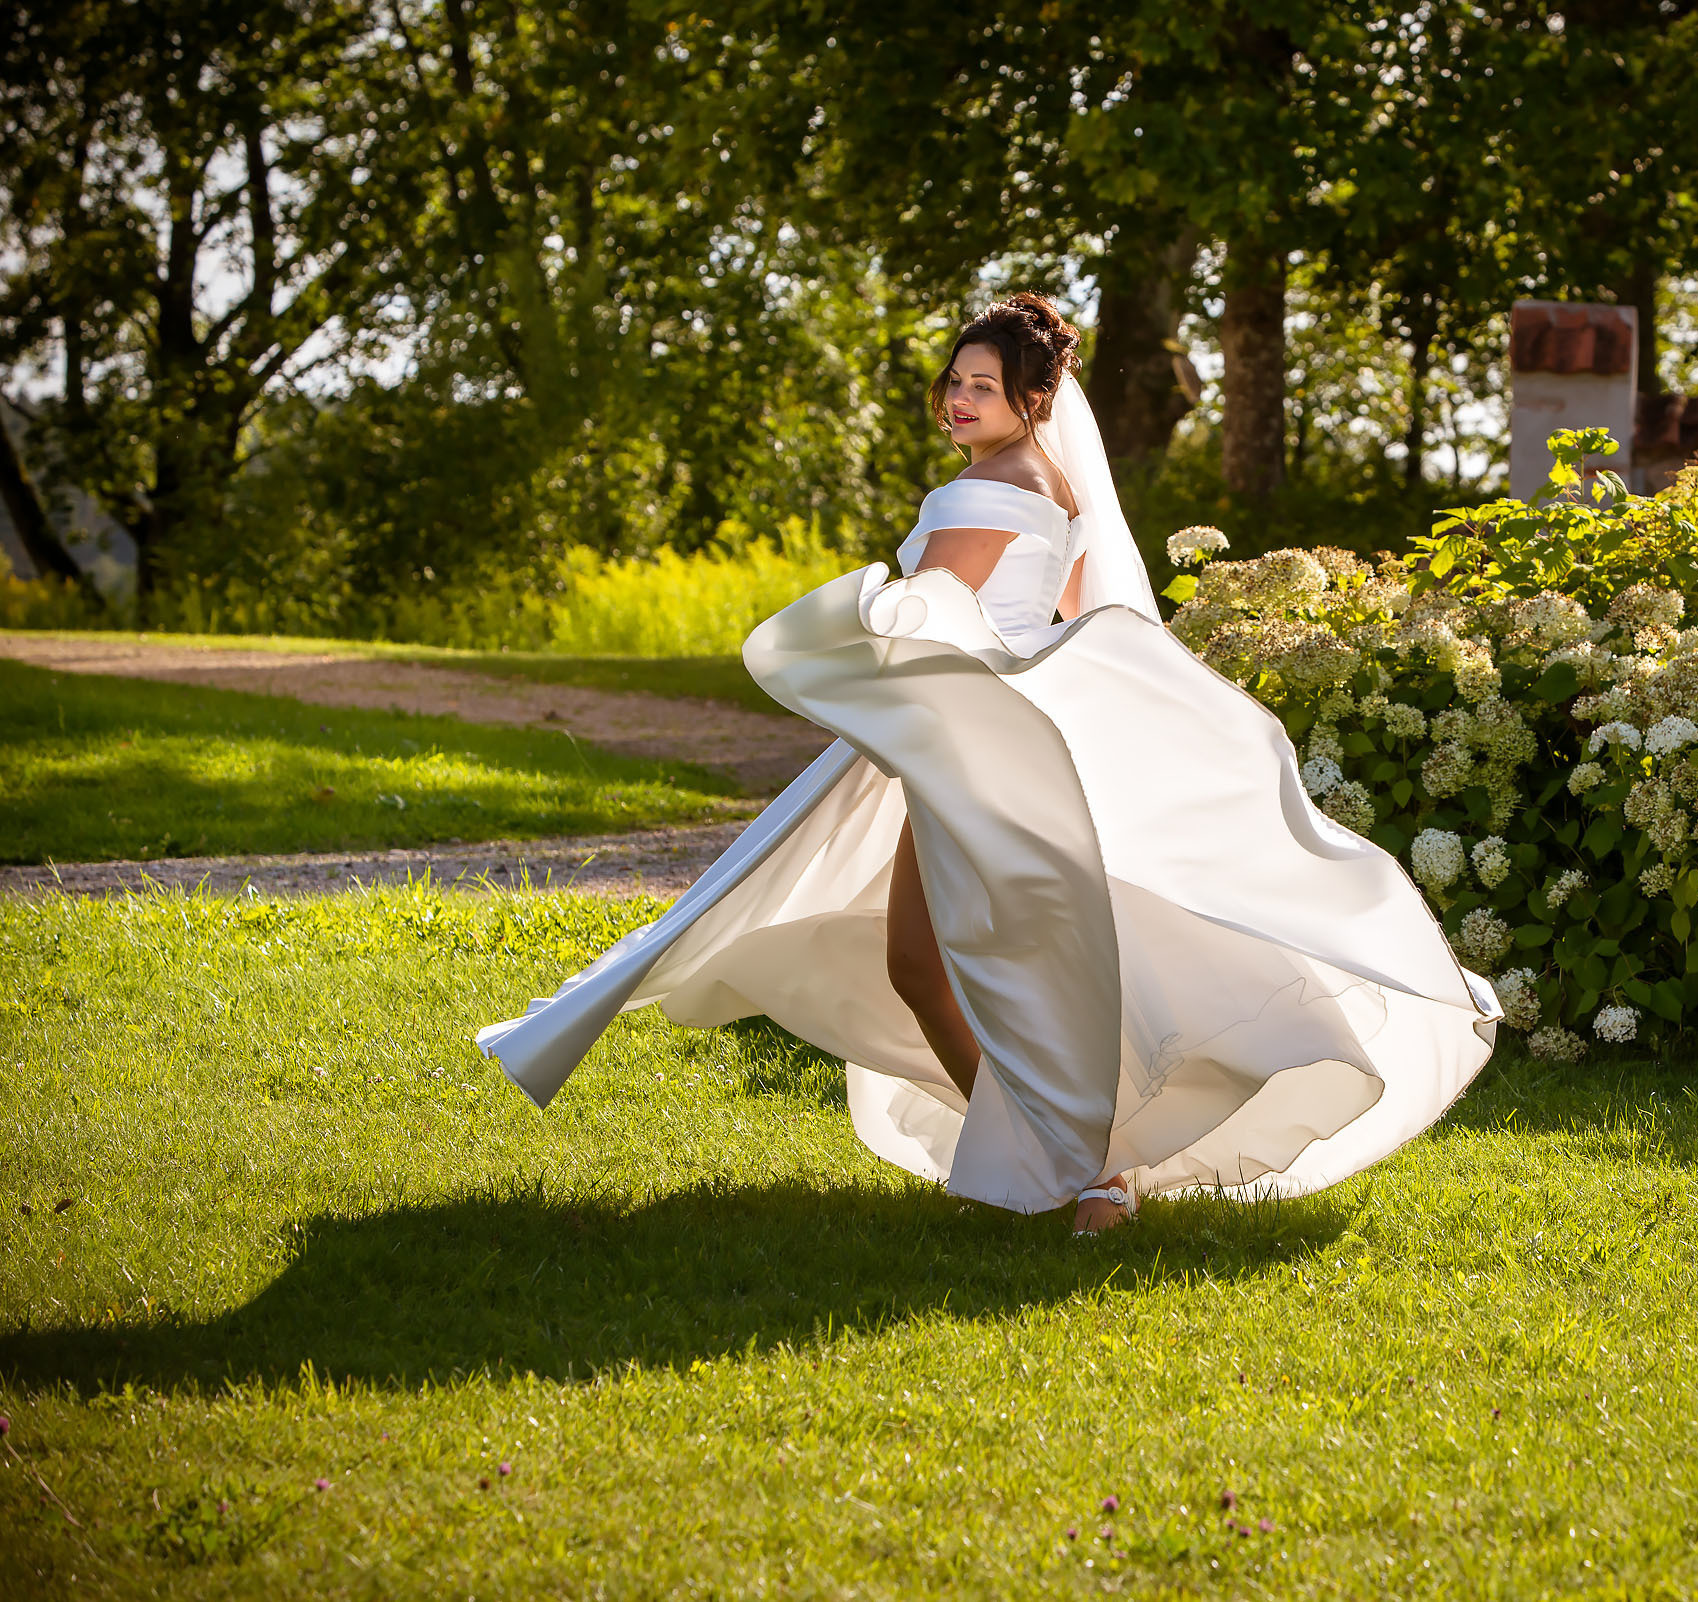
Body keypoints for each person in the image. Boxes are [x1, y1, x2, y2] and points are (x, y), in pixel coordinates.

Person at [477, 291, 1501, 1237]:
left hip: (972, 743)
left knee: (956, 969)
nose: (958, 402)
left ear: (1035, 397)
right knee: (946, 968)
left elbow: (926, 624)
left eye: (982, 386)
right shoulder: (1053, 490)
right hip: (984, 739)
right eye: (954, 383)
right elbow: (1076, 618)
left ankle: (1081, 1168)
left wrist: (855, 617)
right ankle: (1045, 1159)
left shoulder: (983, 495)